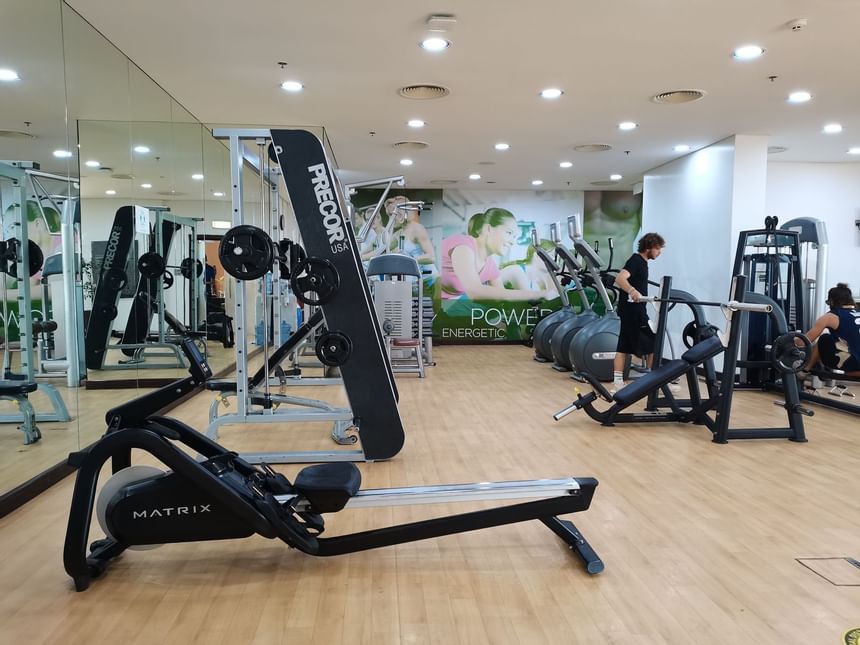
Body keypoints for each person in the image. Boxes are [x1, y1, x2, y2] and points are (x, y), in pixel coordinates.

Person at [440, 208, 554, 304]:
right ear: (488, 229)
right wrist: (539, 294)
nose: (512, 242)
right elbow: (475, 292)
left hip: (448, 306)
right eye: (509, 233)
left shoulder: (490, 265)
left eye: (514, 237)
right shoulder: (463, 246)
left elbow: (501, 296)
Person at [611, 232, 666, 392]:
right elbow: (620, 278)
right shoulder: (636, 261)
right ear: (648, 247)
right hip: (634, 312)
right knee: (655, 342)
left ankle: (618, 383)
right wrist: (632, 290)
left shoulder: (641, 262)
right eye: (657, 248)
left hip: (630, 312)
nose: (659, 252)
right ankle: (653, 380)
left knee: (623, 347)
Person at [800, 283, 860, 377]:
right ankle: (851, 373)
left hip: (852, 362)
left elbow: (803, 342)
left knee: (824, 339)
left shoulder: (831, 316)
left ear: (832, 301)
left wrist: (791, 339)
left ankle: (804, 371)